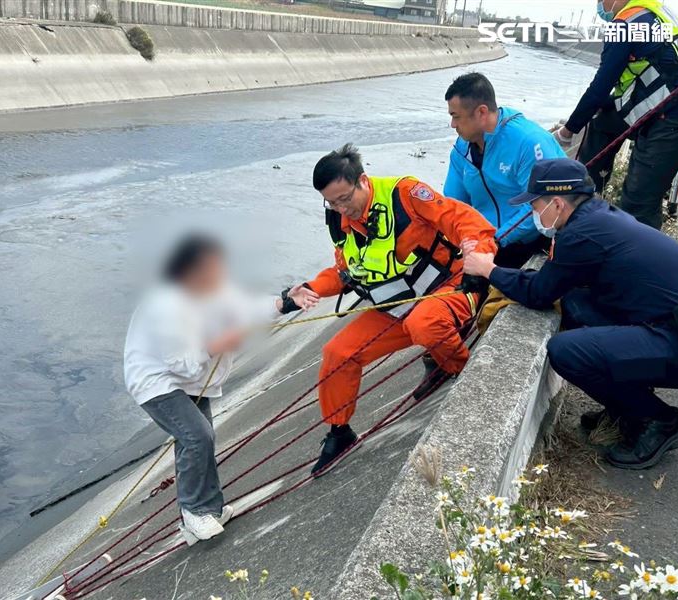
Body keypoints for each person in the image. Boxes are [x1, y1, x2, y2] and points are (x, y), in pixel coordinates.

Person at [462, 158, 678, 470]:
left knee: (566, 351)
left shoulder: (579, 236)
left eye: (536, 206)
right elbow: (559, 284)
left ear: (558, 204)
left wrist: (488, 269)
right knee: (576, 302)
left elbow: (538, 293)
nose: (534, 214)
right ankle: (627, 404)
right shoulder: (600, 217)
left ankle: (659, 420)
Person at [284, 144, 497, 476]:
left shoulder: (406, 193)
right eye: (332, 203)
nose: (342, 208)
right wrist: (308, 290)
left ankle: (459, 371)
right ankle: (340, 431)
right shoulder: (340, 223)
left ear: (363, 181)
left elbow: (465, 221)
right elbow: (344, 273)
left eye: (344, 198)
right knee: (337, 352)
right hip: (398, 305)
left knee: (425, 323)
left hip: (451, 287)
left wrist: (477, 256)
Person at [123, 234, 318, 545]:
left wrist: (286, 302)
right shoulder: (164, 304)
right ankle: (193, 513)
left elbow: (244, 307)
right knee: (197, 436)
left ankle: (209, 510)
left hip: (192, 379)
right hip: (156, 381)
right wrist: (218, 345)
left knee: (202, 438)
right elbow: (180, 362)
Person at [554, 0, 678, 230]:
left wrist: (567, 131)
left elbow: (600, 86)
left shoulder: (624, 24)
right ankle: (590, 195)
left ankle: (641, 260)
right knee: (603, 119)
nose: (600, 4)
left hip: (676, 115)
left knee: (638, 202)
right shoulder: (655, 12)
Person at [444, 72, 565, 269]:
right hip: (486, 241)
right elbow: (453, 203)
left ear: (482, 113)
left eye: (456, 117)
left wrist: (495, 241)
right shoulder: (461, 148)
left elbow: (543, 205)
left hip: (530, 241)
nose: (453, 125)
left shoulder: (529, 142)